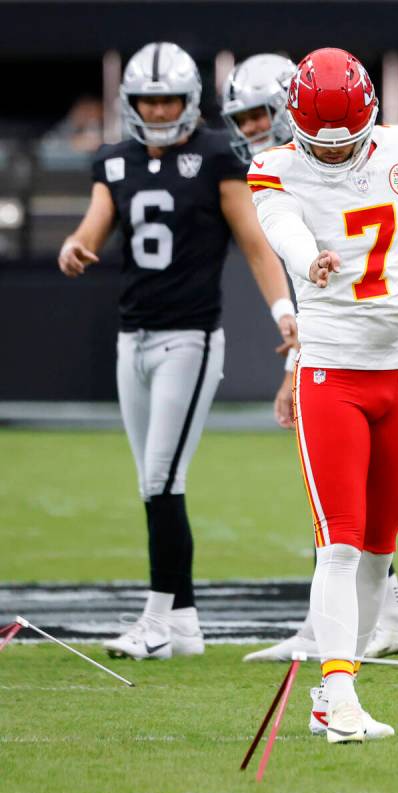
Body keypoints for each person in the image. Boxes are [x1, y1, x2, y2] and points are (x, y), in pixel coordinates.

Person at [250, 48, 398, 742]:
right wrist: (305, 258)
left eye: (347, 144)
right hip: (332, 371)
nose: (335, 157)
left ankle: (339, 690)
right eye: (322, 148)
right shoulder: (277, 166)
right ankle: (338, 694)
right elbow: (285, 230)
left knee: (381, 546)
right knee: (340, 543)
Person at [58, 42, 297, 660]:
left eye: (168, 99)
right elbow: (94, 225)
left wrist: (283, 312)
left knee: (163, 478)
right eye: (148, 101)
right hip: (130, 336)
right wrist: (75, 247)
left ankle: (157, 617)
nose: (160, 111)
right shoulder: (113, 162)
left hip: (188, 337)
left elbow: (254, 244)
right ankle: (184, 623)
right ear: (130, 104)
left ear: (190, 102)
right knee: (152, 483)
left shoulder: (218, 156)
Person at [222, 52, 398, 663]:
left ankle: (350, 628)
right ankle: (372, 620)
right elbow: (295, 257)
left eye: (263, 112)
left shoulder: (339, 157)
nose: (255, 126)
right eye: (246, 115)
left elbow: (323, 277)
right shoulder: (287, 164)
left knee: (351, 508)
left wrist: (296, 362)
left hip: (370, 344)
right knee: (346, 504)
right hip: (344, 343)